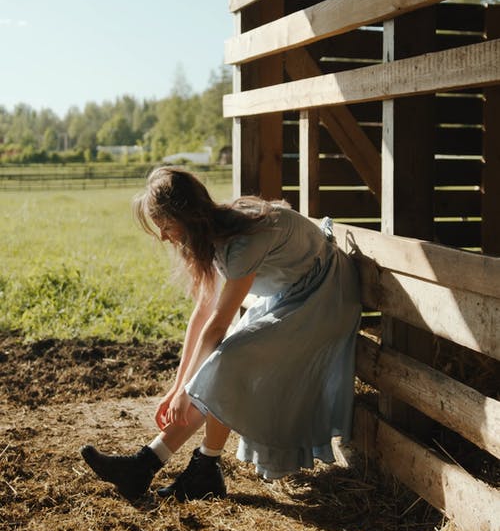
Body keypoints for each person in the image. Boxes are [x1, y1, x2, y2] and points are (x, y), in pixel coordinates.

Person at [81, 166, 362, 503]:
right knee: (219, 363)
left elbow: (217, 326)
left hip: (325, 297)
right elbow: (202, 314)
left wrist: (187, 390)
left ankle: (204, 469)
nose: (164, 237)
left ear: (188, 217)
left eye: (167, 226)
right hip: (293, 294)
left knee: (228, 360)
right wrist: (176, 388)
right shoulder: (215, 235)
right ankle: (143, 466)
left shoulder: (242, 241)